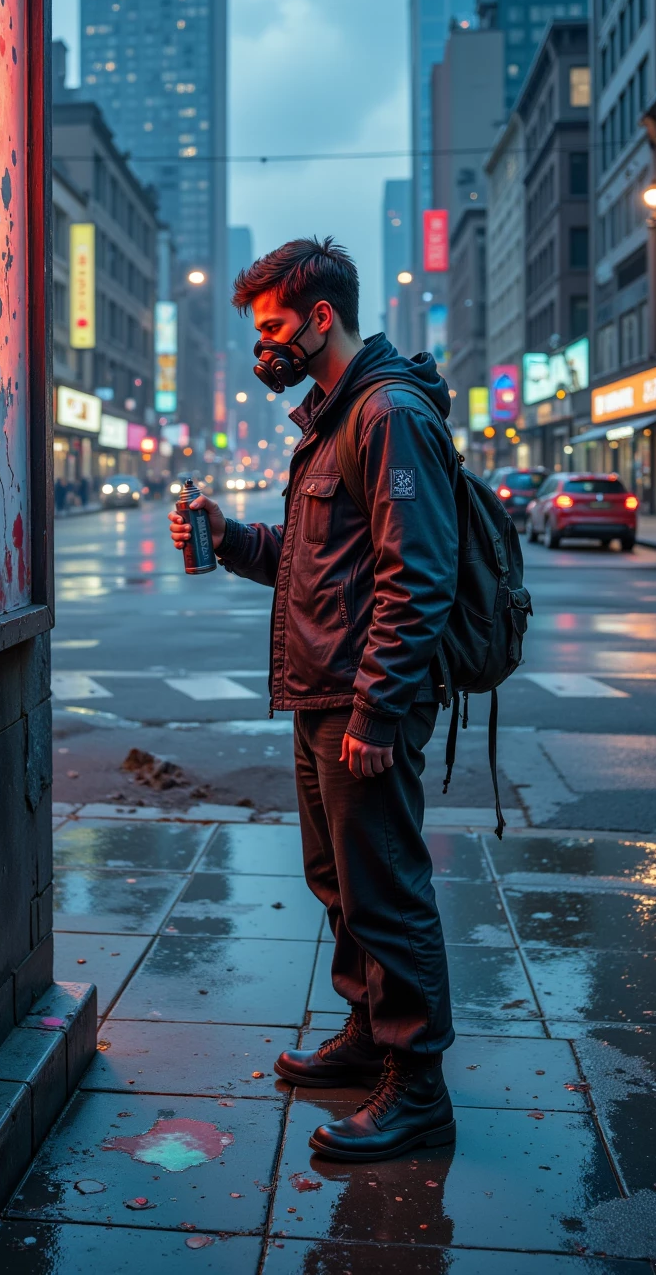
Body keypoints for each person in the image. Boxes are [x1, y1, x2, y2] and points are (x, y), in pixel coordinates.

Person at [169, 236, 459, 1163]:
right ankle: (368, 1037)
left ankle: (418, 1090)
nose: (265, 347)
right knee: (339, 882)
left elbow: (417, 578)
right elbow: (314, 566)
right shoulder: (328, 421)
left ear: (321, 317)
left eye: (274, 327)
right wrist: (229, 537)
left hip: (360, 703)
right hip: (319, 693)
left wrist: (377, 712)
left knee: (387, 890)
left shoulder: (388, 415)